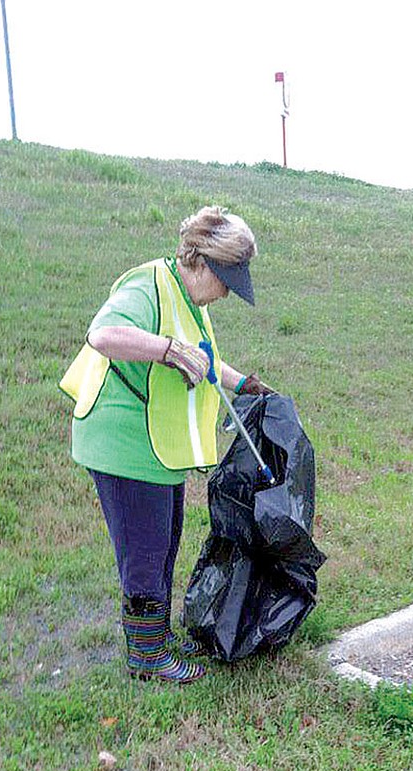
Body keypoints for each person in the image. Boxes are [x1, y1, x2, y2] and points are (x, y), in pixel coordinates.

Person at [65, 205, 273, 684]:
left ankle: (154, 638)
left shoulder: (188, 299)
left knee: (164, 542)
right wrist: (165, 350)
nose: (225, 292)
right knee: (144, 548)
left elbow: (205, 362)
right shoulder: (148, 285)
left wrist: (247, 387)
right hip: (123, 442)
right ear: (199, 261)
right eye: (224, 279)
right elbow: (103, 334)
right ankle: (147, 659)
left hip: (156, 447)